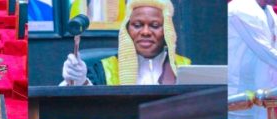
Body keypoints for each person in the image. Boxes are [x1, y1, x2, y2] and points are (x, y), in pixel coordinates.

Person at [61, 0, 191, 85]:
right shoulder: (104, 70)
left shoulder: (185, 68)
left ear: (167, 31)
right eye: (138, 25)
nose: (145, 32)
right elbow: (88, 106)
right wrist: (79, 81)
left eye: (155, 25)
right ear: (127, 30)